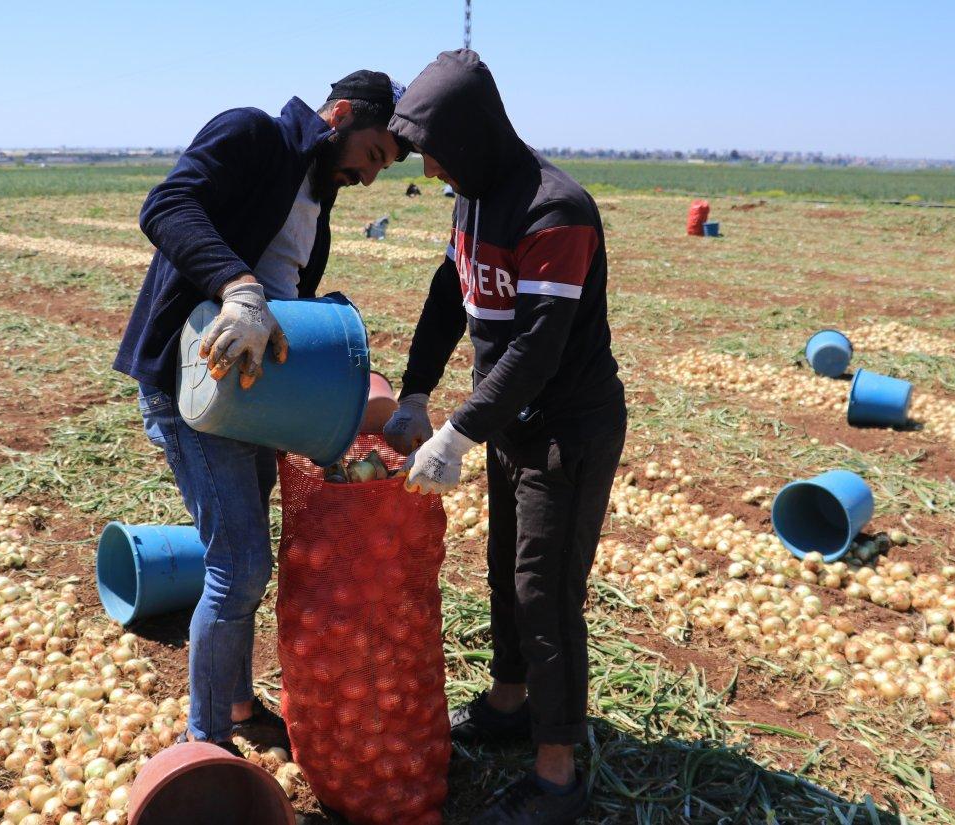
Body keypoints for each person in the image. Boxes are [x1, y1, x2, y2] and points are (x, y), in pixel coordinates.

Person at [114, 70, 405, 752]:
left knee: (243, 560)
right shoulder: (252, 134)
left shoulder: (317, 195)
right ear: (339, 116)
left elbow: (290, 293)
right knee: (239, 565)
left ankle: (238, 703)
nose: (370, 177)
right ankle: (205, 744)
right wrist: (237, 287)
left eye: (384, 168)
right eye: (373, 155)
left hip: (257, 398)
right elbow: (167, 207)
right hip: (196, 384)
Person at [384, 50, 627, 824]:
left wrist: (457, 430)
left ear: (475, 133)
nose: (428, 162)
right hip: (514, 424)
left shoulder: (556, 210)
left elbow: (537, 347)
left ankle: (557, 777)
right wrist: (418, 390)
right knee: (502, 572)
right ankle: (509, 702)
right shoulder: (473, 198)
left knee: (545, 595)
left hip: (566, 427)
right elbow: (447, 294)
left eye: (435, 145)